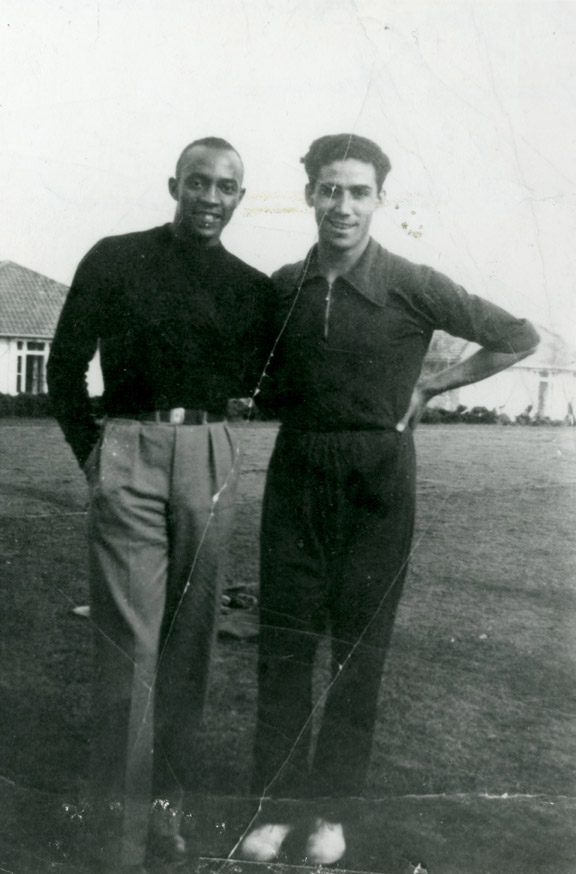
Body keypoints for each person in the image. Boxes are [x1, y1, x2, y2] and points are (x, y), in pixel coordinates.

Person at [239, 133, 540, 866]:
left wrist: (432, 384)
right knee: (284, 647)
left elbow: (517, 335)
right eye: (330, 189)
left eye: (359, 191)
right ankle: (274, 810)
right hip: (299, 472)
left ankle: (332, 813)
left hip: (379, 479)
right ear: (309, 192)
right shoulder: (283, 283)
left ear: (380, 199)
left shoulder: (411, 280)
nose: (343, 205)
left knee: (357, 653)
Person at [47, 137, 273, 873]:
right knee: (128, 652)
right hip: (131, 450)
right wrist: (93, 452)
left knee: (189, 653)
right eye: (198, 182)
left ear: (241, 197)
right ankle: (114, 843)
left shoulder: (250, 287)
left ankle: (165, 826)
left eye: (226, 187)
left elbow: (271, 375)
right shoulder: (115, 257)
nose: (210, 197)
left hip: (210, 453)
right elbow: (64, 365)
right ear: (173, 184)